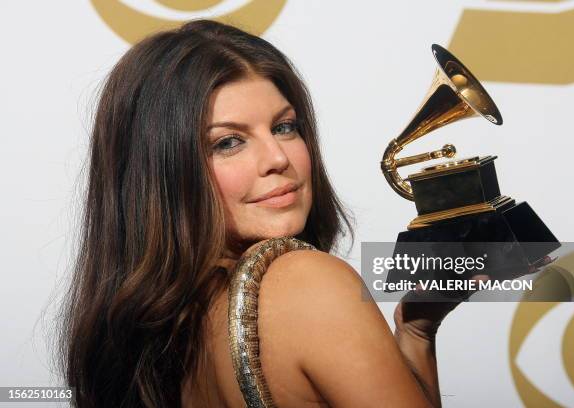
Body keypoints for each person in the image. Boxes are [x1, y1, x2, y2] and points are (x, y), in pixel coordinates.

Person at [58, 19, 488, 407]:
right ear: (163, 173)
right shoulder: (309, 284)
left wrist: (416, 335)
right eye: (228, 142)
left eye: (285, 127)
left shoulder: (156, 334)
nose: (277, 158)